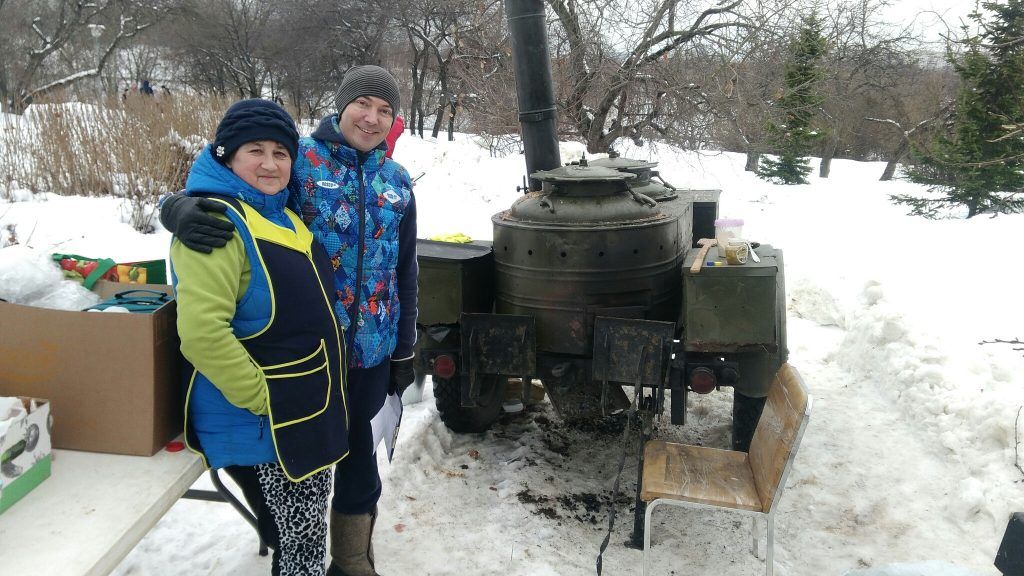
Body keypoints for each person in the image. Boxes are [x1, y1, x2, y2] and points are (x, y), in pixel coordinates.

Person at [161, 65, 418, 576]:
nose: (371, 118)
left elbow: (405, 269)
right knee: (304, 460)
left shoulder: (397, 181)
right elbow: (239, 183)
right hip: (305, 356)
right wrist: (177, 207)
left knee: (357, 458)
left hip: (370, 349)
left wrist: (405, 348)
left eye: (384, 110)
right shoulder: (300, 159)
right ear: (341, 105)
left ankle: (350, 560)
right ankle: (293, 544)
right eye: (362, 104)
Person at [171, 99, 350, 576]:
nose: (270, 164)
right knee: (303, 548)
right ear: (228, 156)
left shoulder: (281, 215)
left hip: (301, 409)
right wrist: (264, 397)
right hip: (270, 420)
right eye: (256, 150)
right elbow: (202, 333)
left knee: (301, 538)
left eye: (281, 152)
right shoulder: (217, 226)